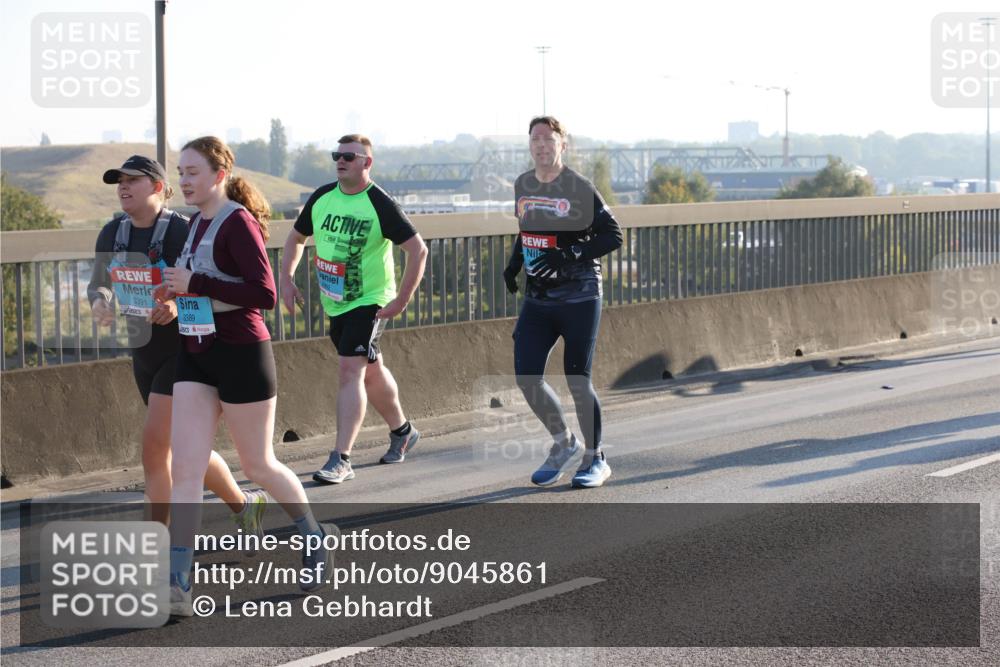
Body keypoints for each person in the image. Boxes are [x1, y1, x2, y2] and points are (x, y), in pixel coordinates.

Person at [159, 137, 334, 616]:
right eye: (180, 172)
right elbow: (201, 286)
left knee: (258, 466)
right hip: (196, 352)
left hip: (241, 353)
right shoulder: (195, 224)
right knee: (186, 468)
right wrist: (173, 293)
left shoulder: (237, 222)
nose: (183, 180)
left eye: (192, 172)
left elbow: (264, 293)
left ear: (219, 175)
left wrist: (195, 283)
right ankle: (178, 581)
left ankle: (314, 536)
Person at [88, 155, 268, 531]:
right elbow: (99, 282)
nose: (123, 187)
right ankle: (244, 506)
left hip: (183, 352)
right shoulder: (112, 233)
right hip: (143, 353)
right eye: (119, 182)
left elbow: (203, 284)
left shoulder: (181, 231)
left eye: (132, 180)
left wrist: (173, 305)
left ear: (157, 187)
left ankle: (159, 542)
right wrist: (100, 302)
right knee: (181, 446)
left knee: (154, 451)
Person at [280, 134, 427, 484]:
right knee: (370, 370)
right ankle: (403, 431)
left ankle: (341, 459)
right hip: (336, 302)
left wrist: (401, 299)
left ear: (367, 162)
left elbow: (417, 250)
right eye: (337, 156)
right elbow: (296, 237)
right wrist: (286, 278)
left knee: (350, 370)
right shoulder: (322, 197)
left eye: (349, 156)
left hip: (370, 301)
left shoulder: (379, 203)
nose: (341, 161)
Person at [502, 117, 623, 488]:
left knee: (577, 379)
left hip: (579, 296)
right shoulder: (523, 184)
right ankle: (564, 442)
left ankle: (596, 457)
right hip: (538, 298)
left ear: (562, 145)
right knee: (527, 377)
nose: (541, 144)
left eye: (548, 139)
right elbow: (527, 229)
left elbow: (613, 235)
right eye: (535, 139)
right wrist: (514, 263)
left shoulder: (578, 187)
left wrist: (568, 254)